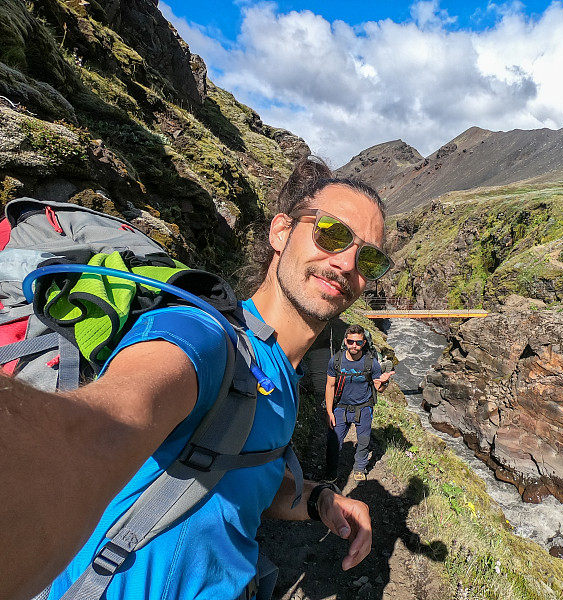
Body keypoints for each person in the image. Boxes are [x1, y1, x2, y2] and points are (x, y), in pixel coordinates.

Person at [0, 157, 395, 600]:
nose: (346, 263)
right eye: (332, 234)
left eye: (369, 257)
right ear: (281, 232)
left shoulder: (283, 378)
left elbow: (245, 483)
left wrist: (320, 499)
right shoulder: (204, 336)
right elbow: (95, 429)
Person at [325, 324, 394, 482]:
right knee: (333, 443)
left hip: (363, 408)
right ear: (345, 341)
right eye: (350, 342)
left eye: (358, 342)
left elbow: (379, 388)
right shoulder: (336, 361)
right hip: (340, 408)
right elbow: (330, 386)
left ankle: (359, 468)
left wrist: (384, 382)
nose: (354, 345)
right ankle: (330, 473)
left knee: (363, 441)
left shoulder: (371, 363)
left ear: (364, 343)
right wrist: (329, 412)